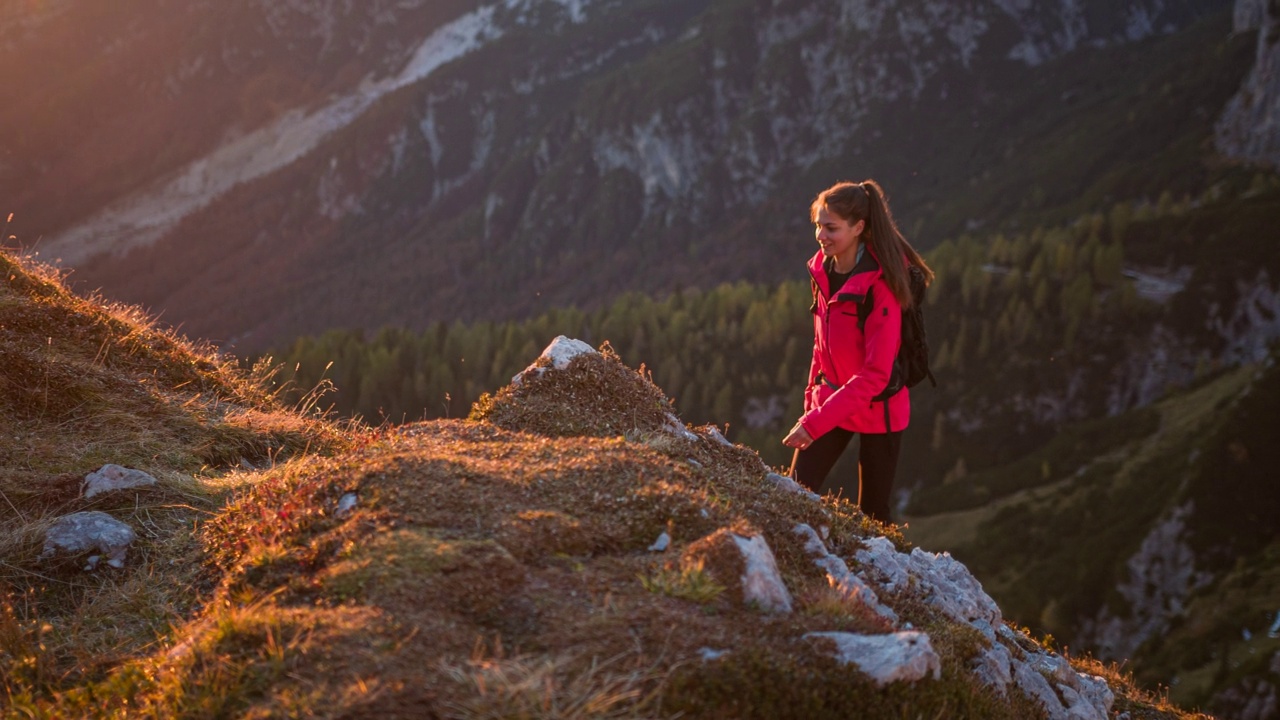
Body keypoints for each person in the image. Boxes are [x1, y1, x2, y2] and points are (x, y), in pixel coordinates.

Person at [782, 180, 933, 524]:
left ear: (859, 227)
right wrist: (812, 402)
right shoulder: (823, 269)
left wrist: (816, 420)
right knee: (792, 494)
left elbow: (876, 375)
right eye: (818, 225)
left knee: (875, 515)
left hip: (880, 409)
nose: (821, 235)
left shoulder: (881, 286)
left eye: (831, 227)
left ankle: (883, 577)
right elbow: (820, 345)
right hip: (833, 399)